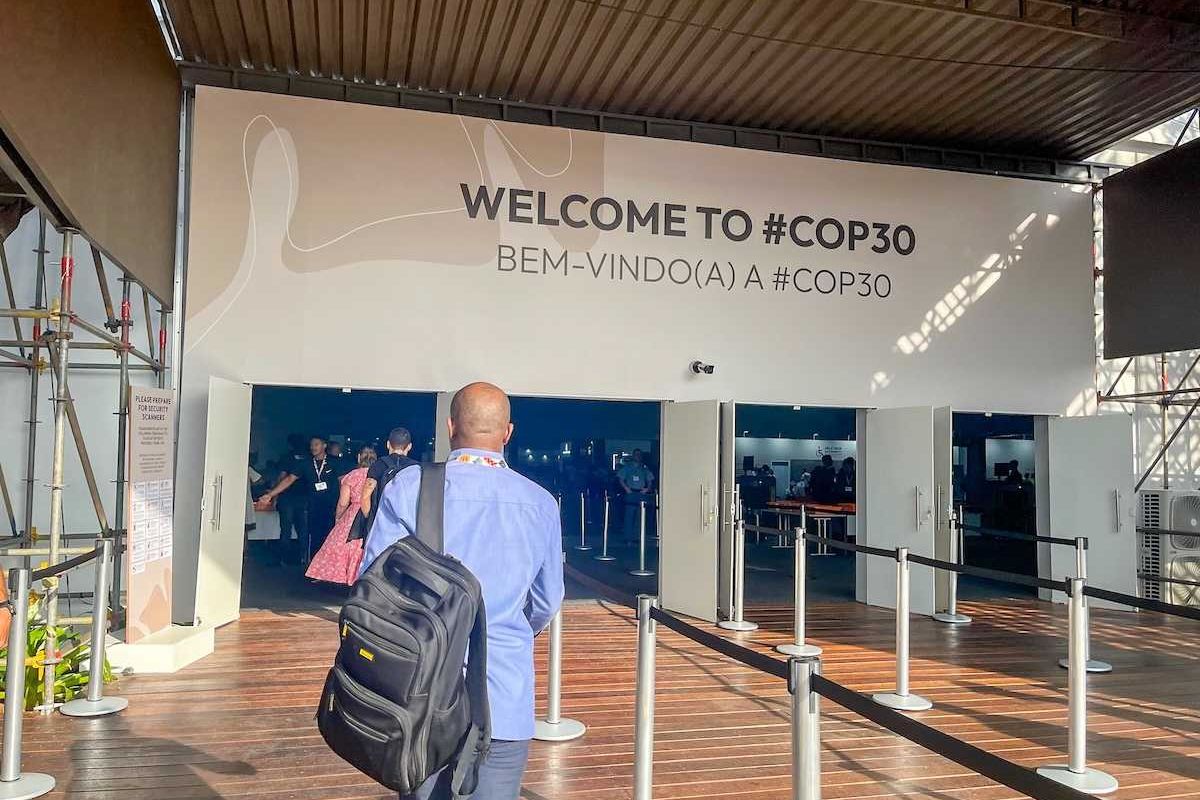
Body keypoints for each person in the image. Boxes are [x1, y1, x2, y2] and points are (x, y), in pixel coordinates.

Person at [361, 382, 564, 800]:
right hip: (503, 693)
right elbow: (546, 600)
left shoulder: (411, 486)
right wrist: (504, 631)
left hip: (419, 691)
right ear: (508, 432)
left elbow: (373, 582)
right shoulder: (540, 502)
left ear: (451, 426)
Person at [259, 435, 339, 563]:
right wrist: (271, 494)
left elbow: (344, 480)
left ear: (324, 445)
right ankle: (310, 563)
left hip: (331, 505)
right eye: (312, 445)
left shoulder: (334, 462)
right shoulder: (305, 463)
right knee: (310, 534)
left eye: (316, 444)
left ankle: (329, 565)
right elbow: (289, 479)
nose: (313, 447)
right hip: (312, 505)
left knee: (330, 534)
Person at [305, 446, 377, 585]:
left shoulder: (351, 476)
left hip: (353, 513)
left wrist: (338, 518)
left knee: (341, 545)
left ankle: (343, 577)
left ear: (358, 458)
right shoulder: (379, 476)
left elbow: (343, 502)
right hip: (373, 512)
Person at [359, 427, 418, 526]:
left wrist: (371, 521)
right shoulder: (416, 468)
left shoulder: (378, 465)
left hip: (382, 523)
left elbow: (365, 496)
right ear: (409, 446)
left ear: (388, 444)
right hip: (407, 525)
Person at [618, 449, 655, 538]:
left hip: (641, 493)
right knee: (629, 515)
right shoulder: (627, 467)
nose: (638, 456)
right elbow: (620, 479)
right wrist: (626, 488)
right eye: (636, 454)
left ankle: (638, 537)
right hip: (631, 493)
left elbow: (650, 480)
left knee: (640, 516)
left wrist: (647, 489)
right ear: (633, 456)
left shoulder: (644, 468)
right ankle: (628, 537)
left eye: (639, 455)